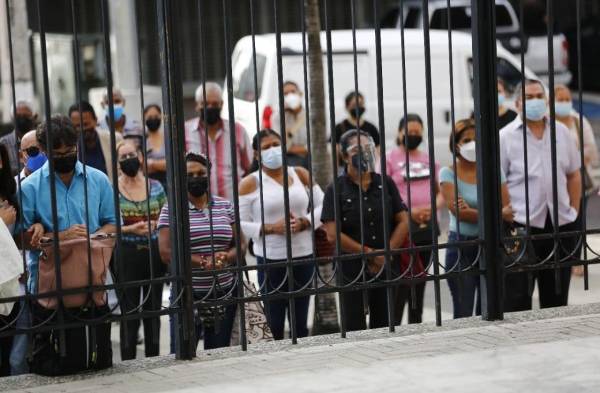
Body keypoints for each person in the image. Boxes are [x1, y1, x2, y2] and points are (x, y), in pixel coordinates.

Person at [19, 115, 117, 374]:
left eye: (70, 151)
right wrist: (62, 236)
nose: (65, 156)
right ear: (44, 151)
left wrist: (89, 240)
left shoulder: (98, 180)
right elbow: (24, 240)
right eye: (58, 152)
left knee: (98, 362)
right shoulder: (29, 188)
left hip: (91, 283)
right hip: (49, 289)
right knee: (55, 366)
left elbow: (111, 224)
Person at [500, 79, 582, 311]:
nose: (535, 101)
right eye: (529, 97)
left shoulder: (562, 131)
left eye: (539, 96)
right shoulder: (506, 136)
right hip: (522, 225)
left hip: (559, 224)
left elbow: (574, 174)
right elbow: (498, 180)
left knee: (556, 297)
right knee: (518, 298)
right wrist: (506, 211)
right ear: (517, 103)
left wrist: (573, 209)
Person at [321, 129, 410, 331]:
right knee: (354, 327)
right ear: (344, 156)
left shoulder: (385, 183)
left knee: (385, 325)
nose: (365, 153)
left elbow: (403, 221)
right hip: (351, 267)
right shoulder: (336, 188)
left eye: (369, 148)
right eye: (357, 149)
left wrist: (385, 253)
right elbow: (333, 234)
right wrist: (369, 253)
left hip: (386, 264)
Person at [239, 129, 323, 339]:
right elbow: (239, 223)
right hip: (271, 259)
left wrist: (306, 222)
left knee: (301, 321)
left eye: (276, 144)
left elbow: (324, 204)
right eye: (266, 147)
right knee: (274, 321)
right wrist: (271, 228)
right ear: (257, 154)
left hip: (303, 255)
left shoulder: (301, 173)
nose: (273, 150)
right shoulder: (250, 182)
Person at [158, 152, 238, 351]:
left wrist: (226, 257)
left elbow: (240, 244)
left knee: (219, 352)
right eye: (190, 174)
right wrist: (202, 262)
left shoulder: (225, 205)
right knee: (183, 354)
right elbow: (166, 252)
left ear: (209, 174)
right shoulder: (172, 209)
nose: (196, 178)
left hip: (223, 291)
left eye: (201, 173)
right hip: (188, 294)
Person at [440, 118, 513, 318]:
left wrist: (475, 211)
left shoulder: (493, 170)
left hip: (490, 245)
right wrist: (495, 212)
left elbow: (508, 209)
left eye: (476, 139)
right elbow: (459, 212)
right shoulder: (448, 173)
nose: (472, 143)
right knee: (463, 312)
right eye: (466, 139)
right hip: (461, 245)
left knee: (489, 310)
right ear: (456, 145)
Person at [386, 114, 440, 324]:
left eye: (418, 132)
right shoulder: (390, 159)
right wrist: (409, 212)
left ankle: (416, 322)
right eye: (409, 132)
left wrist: (431, 207)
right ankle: (395, 324)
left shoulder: (429, 158)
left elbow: (440, 190)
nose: (414, 135)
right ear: (399, 133)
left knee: (420, 277)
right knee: (401, 279)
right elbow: (387, 194)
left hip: (426, 226)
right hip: (402, 228)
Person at [115, 140, 166, 360]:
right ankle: (128, 359)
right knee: (130, 310)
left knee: (153, 309)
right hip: (126, 253)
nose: (129, 160)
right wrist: (130, 228)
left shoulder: (156, 186)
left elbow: (167, 215)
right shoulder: (112, 189)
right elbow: (108, 224)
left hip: (154, 252)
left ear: (141, 157)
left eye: (131, 155)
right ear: (118, 163)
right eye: (123, 158)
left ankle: (153, 357)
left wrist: (157, 224)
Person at [553, 84, 598, 277]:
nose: (564, 103)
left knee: (577, 220)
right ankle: (556, 256)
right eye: (559, 99)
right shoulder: (547, 122)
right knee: (556, 221)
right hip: (554, 181)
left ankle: (575, 259)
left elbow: (591, 150)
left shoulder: (578, 121)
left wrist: (571, 159)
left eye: (566, 99)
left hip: (577, 179)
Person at [184, 82, 253, 201]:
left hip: (233, 205)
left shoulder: (238, 131)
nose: (210, 107)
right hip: (197, 207)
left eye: (215, 104)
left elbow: (249, 168)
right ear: (197, 105)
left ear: (222, 104)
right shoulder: (185, 132)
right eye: (205, 103)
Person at [69, 100, 123, 182]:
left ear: (96, 120)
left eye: (85, 124)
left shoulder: (114, 139)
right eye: (77, 126)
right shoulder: (69, 147)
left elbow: (122, 171)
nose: (82, 129)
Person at [270, 81, 309, 168]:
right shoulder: (277, 117)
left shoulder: (309, 115)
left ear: (300, 94)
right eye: (286, 94)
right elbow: (281, 145)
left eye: (293, 92)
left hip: (310, 156)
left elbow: (317, 143)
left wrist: (294, 149)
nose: (290, 96)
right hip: (290, 158)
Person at [0, 100, 38, 176]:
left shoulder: (42, 140)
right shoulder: (3, 144)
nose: (22, 120)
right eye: (18, 116)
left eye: (26, 116)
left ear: (34, 117)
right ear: (12, 118)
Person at [143, 104, 168, 189]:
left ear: (161, 117)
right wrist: (162, 164)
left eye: (156, 116)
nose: (153, 119)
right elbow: (142, 167)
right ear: (144, 118)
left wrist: (151, 163)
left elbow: (171, 163)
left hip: (168, 183)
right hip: (148, 185)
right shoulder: (142, 140)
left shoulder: (168, 138)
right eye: (150, 117)